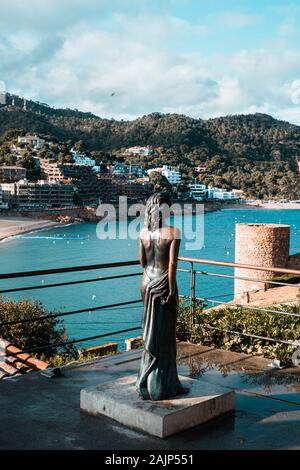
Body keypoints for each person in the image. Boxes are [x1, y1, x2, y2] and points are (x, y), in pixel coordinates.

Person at [136, 192, 188, 400]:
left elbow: (142, 262)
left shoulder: (143, 233)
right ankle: (164, 386)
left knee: (150, 332)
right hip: (164, 282)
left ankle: (146, 384)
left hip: (146, 281)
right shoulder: (173, 232)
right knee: (165, 335)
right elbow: (172, 264)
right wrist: (173, 290)